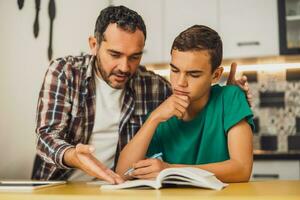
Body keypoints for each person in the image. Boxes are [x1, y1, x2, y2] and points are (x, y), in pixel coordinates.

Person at [32, 6, 251, 183]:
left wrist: (229, 95)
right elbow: (46, 136)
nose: (125, 67)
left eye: (135, 56)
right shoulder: (66, 73)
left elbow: (194, 97)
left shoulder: (154, 86)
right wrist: (73, 156)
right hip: (58, 184)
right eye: (115, 54)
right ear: (94, 45)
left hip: (115, 187)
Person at [116, 25, 254, 183]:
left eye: (193, 74)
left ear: (215, 75)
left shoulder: (230, 98)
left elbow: (242, 169)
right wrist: (154, 118)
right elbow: (122, 174)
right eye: (175, 71)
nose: (180, 83)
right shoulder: (162, 115)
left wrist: (170, 170)